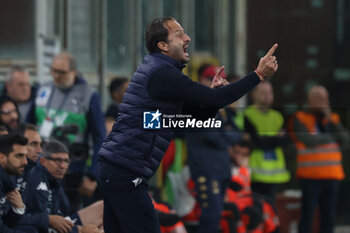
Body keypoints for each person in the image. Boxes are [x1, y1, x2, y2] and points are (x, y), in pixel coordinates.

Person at [97, 16, 279, 233]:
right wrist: (257, 75)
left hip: (117, 170)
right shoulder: (162, 74)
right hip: (124, 172)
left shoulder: (161, 73)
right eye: (179, 34)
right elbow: (212, 104)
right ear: (163, 46)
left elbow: (191, 120)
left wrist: (211, 97)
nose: (187, 38)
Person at [30, 52, 106, 210]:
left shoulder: (88, 95)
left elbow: (100, 137)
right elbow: (29, 124)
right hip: (40, 163)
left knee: (68, 216)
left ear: (74, 72)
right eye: (54, 71)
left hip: (72, 169)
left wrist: (92, 175)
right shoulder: (43, 88)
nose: (56, 76)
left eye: (62, 72)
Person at [185, 65, 244, 233]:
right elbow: (212, 135)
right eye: (210, 78)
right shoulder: (196, 103)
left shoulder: (222, 107)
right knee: (210, 216)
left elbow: (237, 133)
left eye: (219, 78)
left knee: (218, 216)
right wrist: (225, 134)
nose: (215, 82)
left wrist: (223, 135)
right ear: (200, 79)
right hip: (206, 169)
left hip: (222, 168)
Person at [288, 85, 349, 233]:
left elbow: (345, 140)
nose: (325, 102)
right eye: (321, 99)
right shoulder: (300, 118)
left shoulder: (333, 119)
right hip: (310, 176)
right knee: (307, 215)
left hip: (332, 175)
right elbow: (307, 140)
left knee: (329, 216)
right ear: (311, 100)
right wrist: (332, 138)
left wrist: (331, 120)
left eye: (326, 98)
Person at [19, 140, 103, 233]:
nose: (63, 166)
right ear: (43, 161)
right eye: (58, 160)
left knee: (103, 208)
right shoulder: (36, 179)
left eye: (66, 161)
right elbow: (43, 224)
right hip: (39, 228)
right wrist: (79, 230)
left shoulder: (54, 180)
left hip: (59, 224)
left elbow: (59, 215)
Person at [243, 81, 290, 206]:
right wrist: (275, 138)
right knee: (256, 209)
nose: (268, 96)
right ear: (254, 95)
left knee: (271, 211)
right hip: (256, 173)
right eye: (263, 92)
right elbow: (257, 142)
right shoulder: (247, 114)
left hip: (275, 173)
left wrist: (264, 139)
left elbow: (286, 140)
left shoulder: (277, 116)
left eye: (270, 92)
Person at [0, 134, 37, 233]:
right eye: (19, 156)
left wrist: (18, 209)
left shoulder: (7, 180)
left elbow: (4, 223)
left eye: (25, 156)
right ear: (1, 157)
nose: (25, 162)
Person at [12, 124, 42, 194]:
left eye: (40, 144)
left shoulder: (39, 170)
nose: (40, 150)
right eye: (33, 144)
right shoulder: (5, 171)